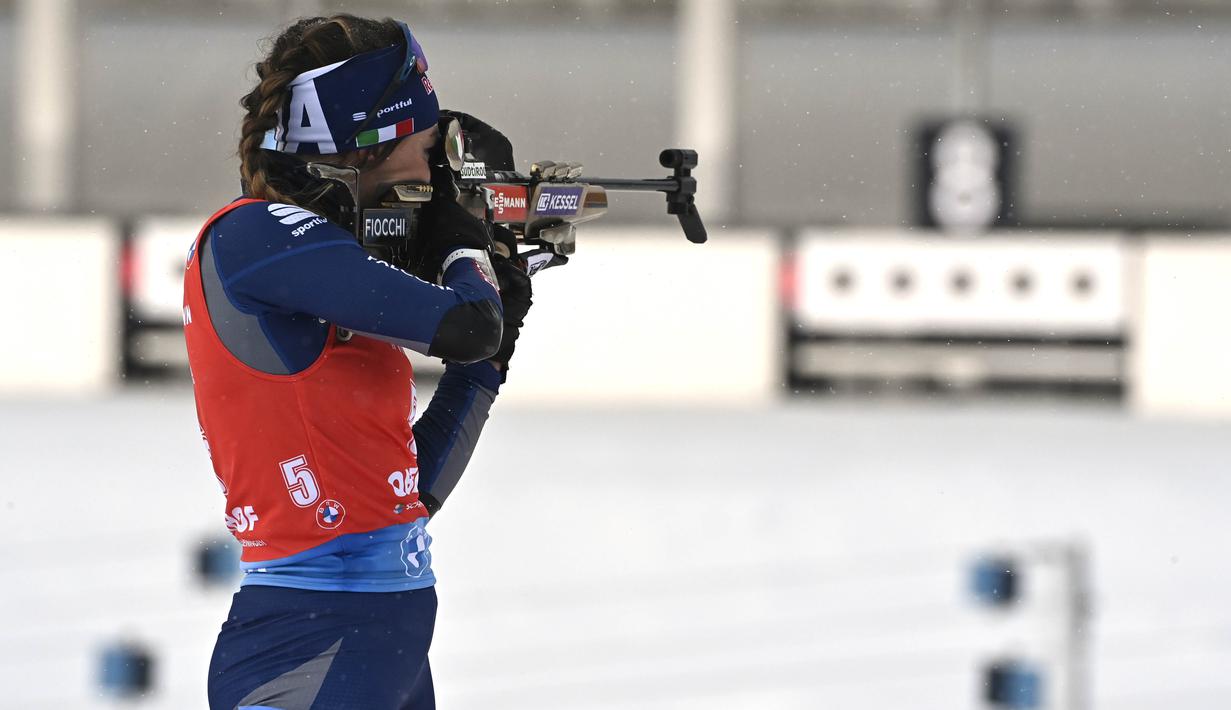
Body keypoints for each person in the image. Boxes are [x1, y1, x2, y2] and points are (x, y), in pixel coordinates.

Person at [185, 14, 537, 709]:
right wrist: (463, 241)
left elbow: (403, 504)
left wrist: (495, 344)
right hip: (312, 640)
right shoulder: (258, 234)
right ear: (369, 143)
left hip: (379, 636)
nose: (435, 171)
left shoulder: (325, 264)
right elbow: (465, 324)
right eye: (429, 147)